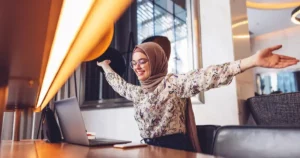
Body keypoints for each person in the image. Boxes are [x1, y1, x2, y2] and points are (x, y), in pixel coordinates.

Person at [97, 43, 299, 152]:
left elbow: (207, 76)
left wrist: (251, 61)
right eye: (134, 64)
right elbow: (120, 85)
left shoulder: (172, 84)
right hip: (149, 149)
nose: (137, 67)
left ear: (156, 61)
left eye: (142, 61)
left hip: (174, 150)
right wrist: (106, 67)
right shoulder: (140, 93)